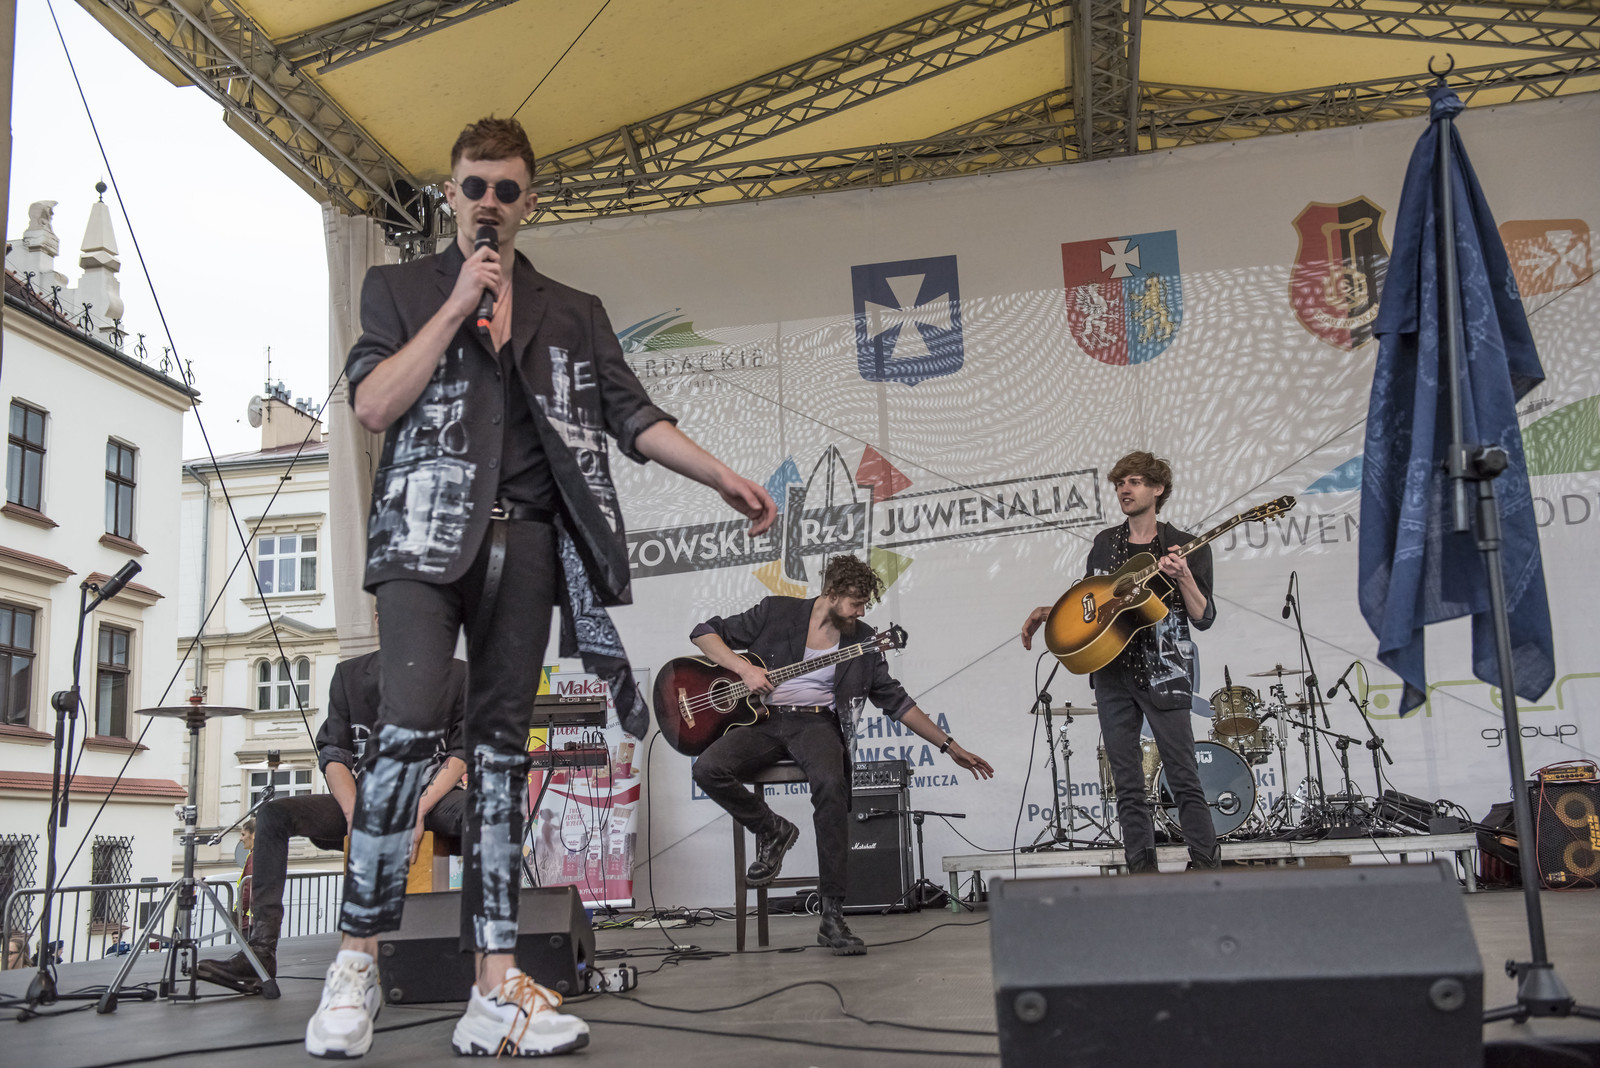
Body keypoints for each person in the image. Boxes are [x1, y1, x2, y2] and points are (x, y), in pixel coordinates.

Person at [309, 115, 775, 1060]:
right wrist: (457, 306)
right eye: (474, 186)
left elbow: (633, 416)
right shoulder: (401, 289)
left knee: (497, 762)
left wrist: (719, 473)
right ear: (451, 193)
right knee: (404, 731)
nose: (489, 202)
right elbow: (373, 403)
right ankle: (356, 960)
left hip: (526, 545)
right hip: (421, 542)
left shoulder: (572, 309)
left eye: (507, 189)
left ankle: (492, 987)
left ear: (530, 201)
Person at [690, 554, 993, 955]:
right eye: (855, 603)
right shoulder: (776, 611)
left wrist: (949, 746)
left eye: (865, 604)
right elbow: (704, 633)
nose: (861, 612)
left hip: (815, 724)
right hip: (762, 719)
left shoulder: (863, 641)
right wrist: (743, 669)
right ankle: (772, 829)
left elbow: (896, 701)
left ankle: (832, 915)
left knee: (832, 786)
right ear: (831, 594)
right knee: (707, 768)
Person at [197, 650, 468, 993]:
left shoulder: (457, 675)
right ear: (378, 622)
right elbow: (335, 754)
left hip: (433, 801)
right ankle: (260, 953)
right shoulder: (349, 675)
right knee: (274, 814)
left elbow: (462, 751)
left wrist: (418, 809)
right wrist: (355, 816)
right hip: (365, 801)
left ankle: (485, 949)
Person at [1022, 451, 1220, 873]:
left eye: (1134, 482)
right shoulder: (1104, 544)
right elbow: (1094, 608)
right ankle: (1142, 877)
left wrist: (1184, 576)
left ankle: (1206, 871)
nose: (1124, 490)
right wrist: (1050, 612)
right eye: (1119, 483)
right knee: (1127, 786)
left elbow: (1204, 617)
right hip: (1112, 675)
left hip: (1165, 672)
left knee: (1184, 778)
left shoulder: (1184, 544)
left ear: (1158, 489)